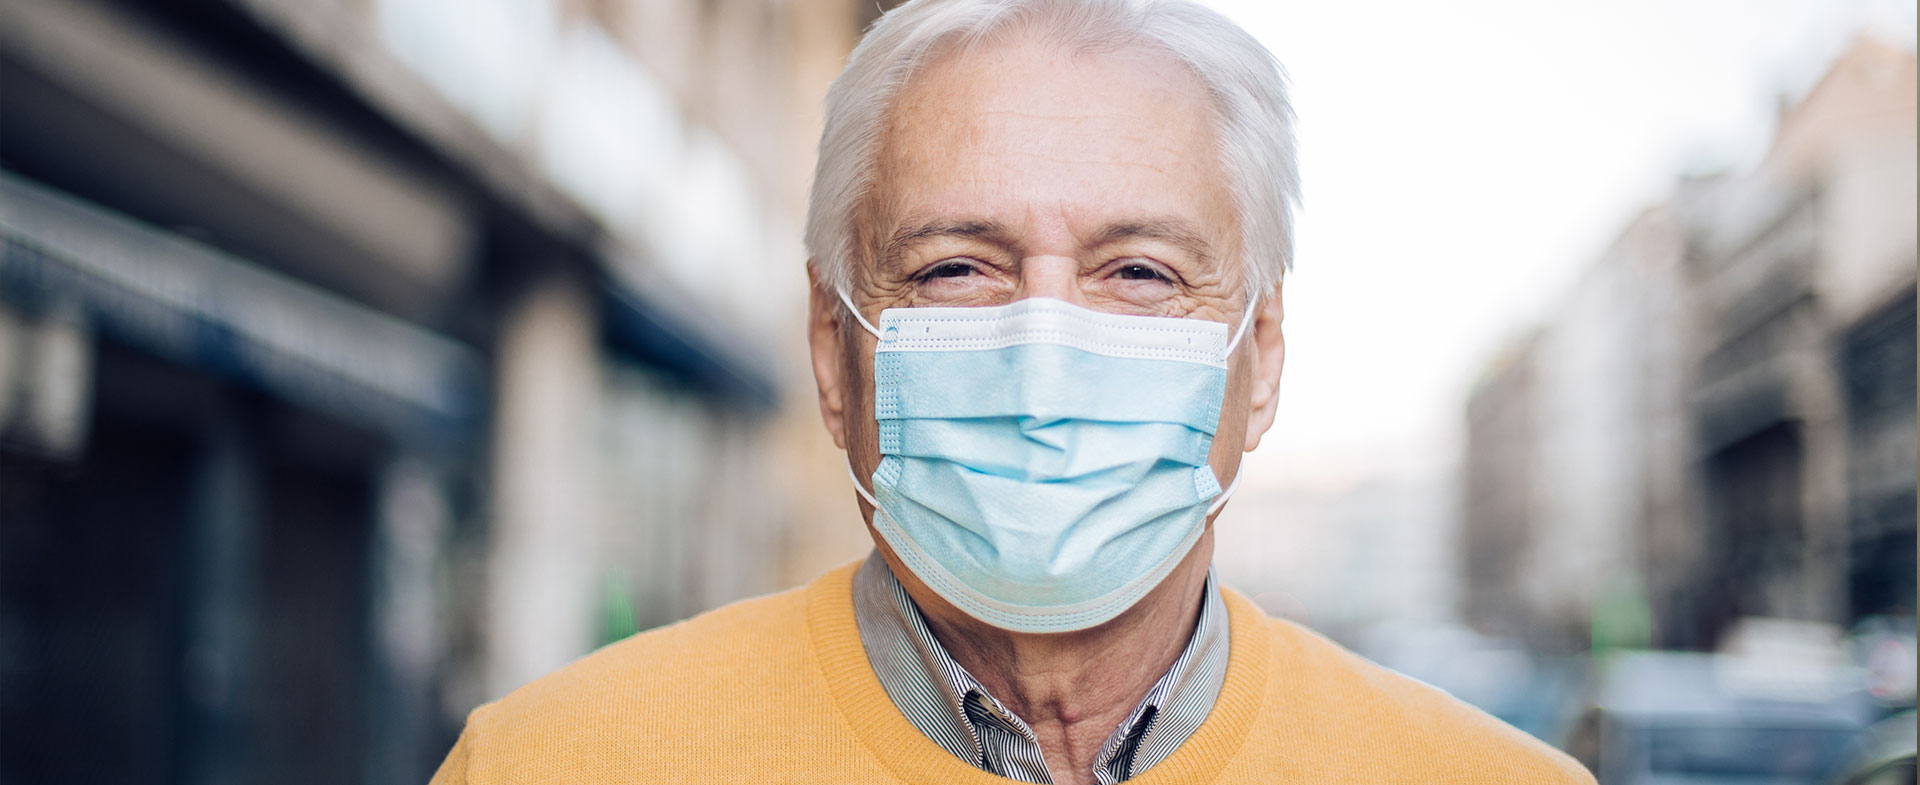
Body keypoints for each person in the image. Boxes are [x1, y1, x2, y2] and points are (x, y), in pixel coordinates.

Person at [430, 1, 1594, 782]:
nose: (1045, 368)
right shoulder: (553, 763)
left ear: (1264, 352)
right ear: (835, 355)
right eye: (954, 268)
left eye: (1139, 272)